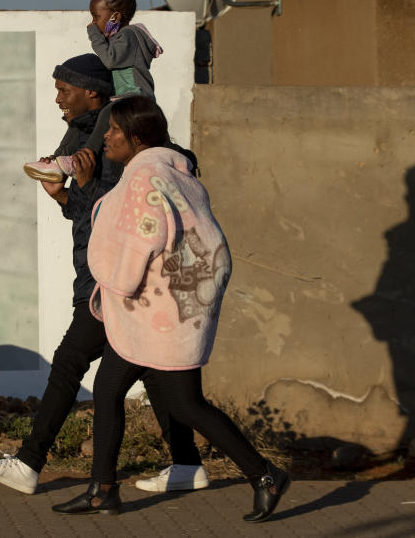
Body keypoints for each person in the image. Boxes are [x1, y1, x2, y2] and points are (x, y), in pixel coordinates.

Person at [0, 54, 208, 495]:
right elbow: (84, 216)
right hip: (106, 274)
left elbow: (113, 216)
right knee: (156, 374)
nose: (58, 98)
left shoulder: (113, 140)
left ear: (92, 92)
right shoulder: (84, 135)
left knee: (69, 364)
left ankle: (31, 464)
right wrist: (62, 194)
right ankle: (185, 464)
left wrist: (78, 189)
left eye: (65, 89)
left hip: (116, 280)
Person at [52, 98, 289, 522]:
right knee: (112, 390)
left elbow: (137, 240)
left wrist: (116, 279)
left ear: (137, 138)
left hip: (157, 310)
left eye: (115, 131)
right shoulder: (170, 172)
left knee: (185, 404)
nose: (105, 137)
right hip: (165, 308)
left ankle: (264, 475)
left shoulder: (146, 179)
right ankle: (102, 490)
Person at [23, 0, 162, 183]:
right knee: (85, 120)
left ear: (115, 17)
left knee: (107, 112)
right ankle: (57, 160)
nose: (93, 23)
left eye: (96, 17)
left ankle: (78, 160)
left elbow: (110, 60)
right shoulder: (121, 38)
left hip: (135, 98)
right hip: (124, 98)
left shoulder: (129, 35)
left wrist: (94, 34)